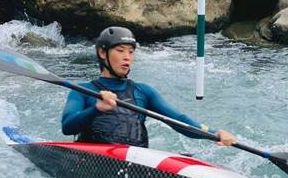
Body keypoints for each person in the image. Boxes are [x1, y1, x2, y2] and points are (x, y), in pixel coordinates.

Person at [61, 26, 237, 148]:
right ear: (102, 53)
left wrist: (214, 133)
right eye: (120, 50)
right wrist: (96, 109)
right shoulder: (83, 90)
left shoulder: (143, 91)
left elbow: (179, 120)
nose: (127, 57)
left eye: (131, 52)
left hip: (134, 158)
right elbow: (67, 127)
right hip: (94, 158)